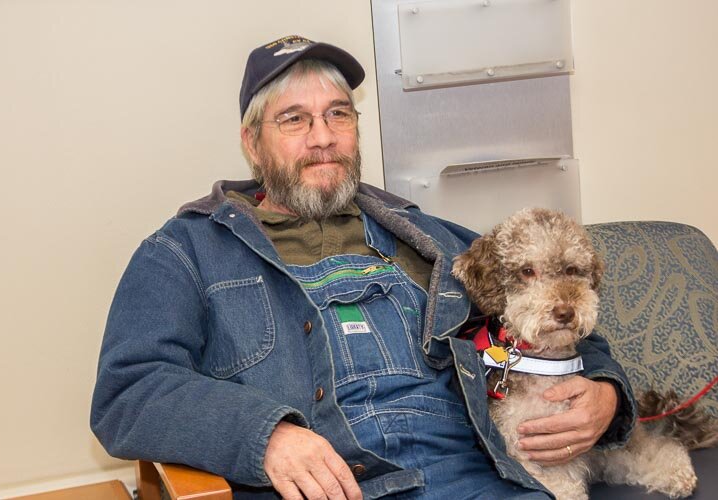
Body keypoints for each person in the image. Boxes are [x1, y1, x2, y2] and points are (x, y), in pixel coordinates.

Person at [91, 35, 635, 499]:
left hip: (476, 479)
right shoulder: (185, 251)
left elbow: (569, 331)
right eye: (294, 119)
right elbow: (127, 394)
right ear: (252, 145)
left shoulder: (432, 238)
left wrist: (607, 397)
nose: (323, 136)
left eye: (337, 113)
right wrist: (268, 437)